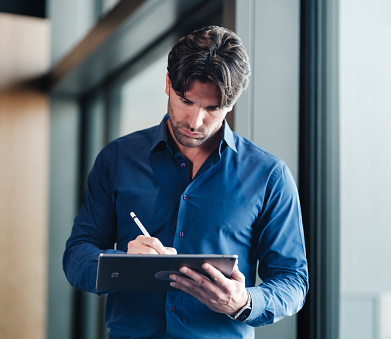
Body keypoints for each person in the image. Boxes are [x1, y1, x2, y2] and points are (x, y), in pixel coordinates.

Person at [63, 26, 308, 339]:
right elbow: (76, 255)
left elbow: (293, 280)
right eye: (185, 100)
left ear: (231, 104)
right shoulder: (117, 159)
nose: (194, 122)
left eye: (211, 108)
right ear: (168, 83)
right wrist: (122, 264)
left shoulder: (270, 176)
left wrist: (243, 301)